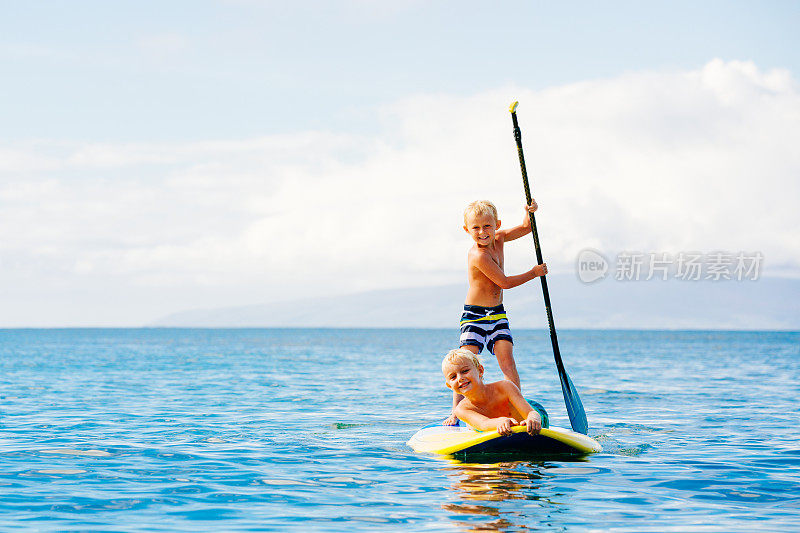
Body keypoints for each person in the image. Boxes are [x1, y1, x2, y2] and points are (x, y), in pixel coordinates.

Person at [444, 199, 547, 425]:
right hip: (475, 317)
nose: (482, 232)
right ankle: (455, 412)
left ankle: (518, 408)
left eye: (487, 226)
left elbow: (526, 228)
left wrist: (529, 213)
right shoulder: (478, 255)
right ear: (467, 230)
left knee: (507, 361)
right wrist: (534, 272)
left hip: (498, 314)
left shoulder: (500, 239)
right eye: (476, 228)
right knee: (463, 363)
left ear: (497, 224)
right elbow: (505, 282)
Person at [442, 348, 548, 435]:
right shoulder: (461, 409)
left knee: (533, 412)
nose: (460, 378)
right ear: (449, 385)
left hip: (532, 409)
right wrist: (501, 421)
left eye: (465, 371)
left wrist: (533, 419)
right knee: (475, 426)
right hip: (491, 421)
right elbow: (484, 423)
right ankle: (471, 425)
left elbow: (530, 412)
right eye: (453, 377)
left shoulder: (505, 387)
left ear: (480, 371)